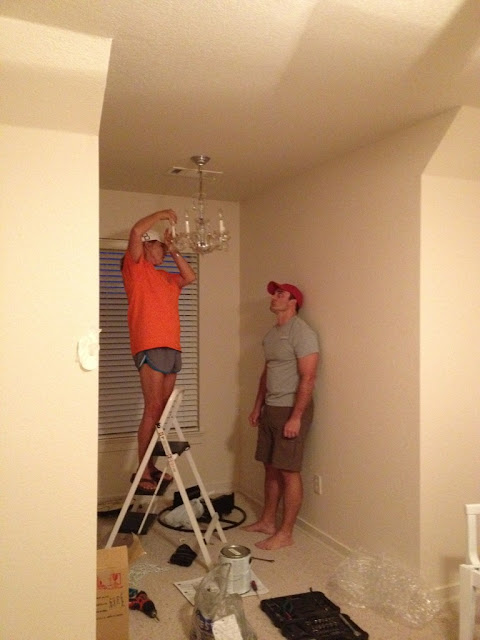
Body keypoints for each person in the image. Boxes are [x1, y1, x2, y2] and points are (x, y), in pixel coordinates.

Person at [122, 209, 196, 494]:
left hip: (172, 345)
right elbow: (136, 231)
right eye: (160, 247)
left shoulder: (167, 277)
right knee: (152, 407)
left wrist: (174, 250)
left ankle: (151, 466)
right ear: (146, 246)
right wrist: (161, 214)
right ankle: (143, 471)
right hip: (149, 344)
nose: (163, 252)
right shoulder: (135, 269)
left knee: (162, 411)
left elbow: (189, 277)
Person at [244, 281, 319, 550]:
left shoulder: (302, 333)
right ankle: (267, 521)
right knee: (270, 467)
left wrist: (296, 417)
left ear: (293, 302)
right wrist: (257, 406)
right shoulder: (272, 334)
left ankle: (285, 533)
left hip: (291, 408)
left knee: (288, 470)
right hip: (271, 408)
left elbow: (308, 377)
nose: (274, 298)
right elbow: (267, 373)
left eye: (280, 294)